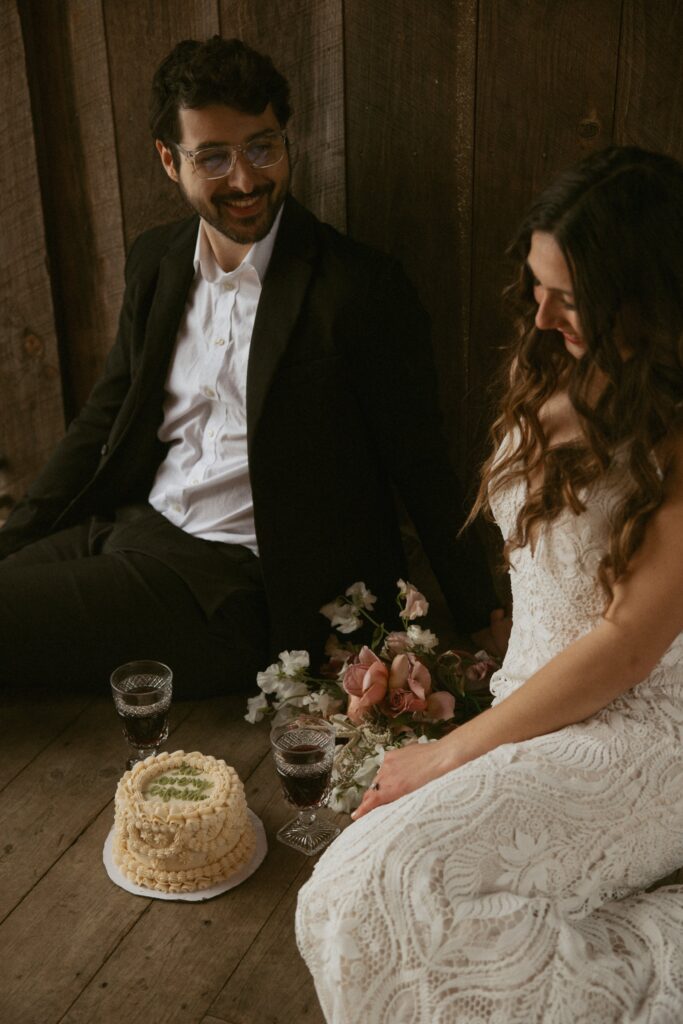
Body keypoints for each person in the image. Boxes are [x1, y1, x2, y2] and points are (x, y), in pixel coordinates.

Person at [296, 145, 683, 1022]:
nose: (541, 314)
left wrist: (448, 750)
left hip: (643, 731)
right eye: (536, 283)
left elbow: (624, 647)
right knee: (340, 894)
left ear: (647, 297)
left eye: (569, 296)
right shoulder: (555, 361)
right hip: (537, 696)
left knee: (380, 885)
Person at [0, 36, 500, 696]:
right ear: (167, 160)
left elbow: (421, 461)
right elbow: (102, 420)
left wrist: (482, 615)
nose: (245, 179)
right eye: (213, 157)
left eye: (262, 146)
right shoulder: (157, 261)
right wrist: (15, 537)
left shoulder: (356, 290)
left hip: (232, 585)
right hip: (132, 526)